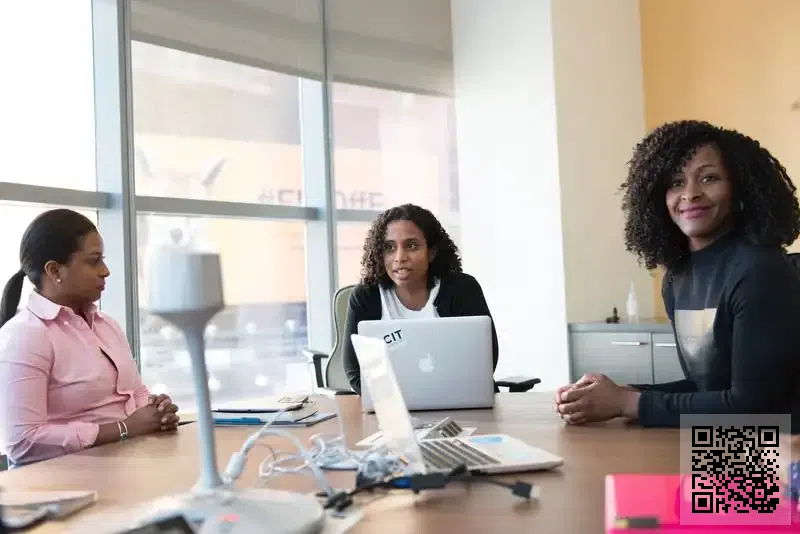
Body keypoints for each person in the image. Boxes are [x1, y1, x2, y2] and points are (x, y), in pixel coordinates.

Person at [554, 120, 800, 433]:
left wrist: (628, 403)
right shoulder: (677, 277)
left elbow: (754, 406)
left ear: (739, 188)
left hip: (782, 451)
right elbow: (708, 388)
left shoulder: (758, 270)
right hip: (728, 442)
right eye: (675, 182)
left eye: (709, 178)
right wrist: (618, 394)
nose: (690, 194)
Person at [0, 209, 180, 466]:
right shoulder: (25, 335)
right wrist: (125, 428)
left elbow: (136, 392)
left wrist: (155, 412)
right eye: (93, 261)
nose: (105, 271)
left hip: (125, 464)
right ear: (54, 270)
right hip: (63, 478)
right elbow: (22, 442)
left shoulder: (106, 325)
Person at [342, 203, 498, 394]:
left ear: (431, 252)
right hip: (393, 404)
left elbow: (486, 360)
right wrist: (404, 399)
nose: (400, 257)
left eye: (411, 245)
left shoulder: (462, 289)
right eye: (389, 247)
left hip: (461, 400)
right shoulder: (366, 296)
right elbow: (355, 372)